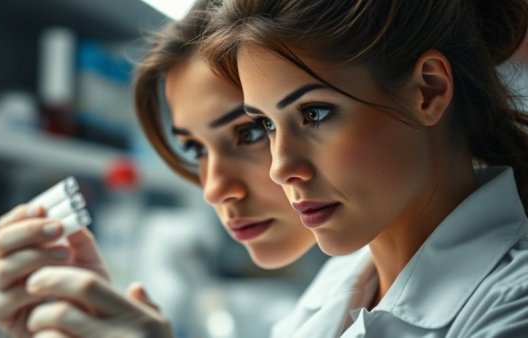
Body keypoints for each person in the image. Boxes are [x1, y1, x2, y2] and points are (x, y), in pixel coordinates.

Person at [0, 1, 317, 337]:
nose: (212, 189)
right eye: (195, 148)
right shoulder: (332, 301)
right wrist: (76, 317)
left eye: (251, 132)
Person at [201, 0, 528, 336]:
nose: (281, 168)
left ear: (428, 91)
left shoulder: (515, 304)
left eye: (314, 113)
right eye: (267, 125)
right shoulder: (339, 284)